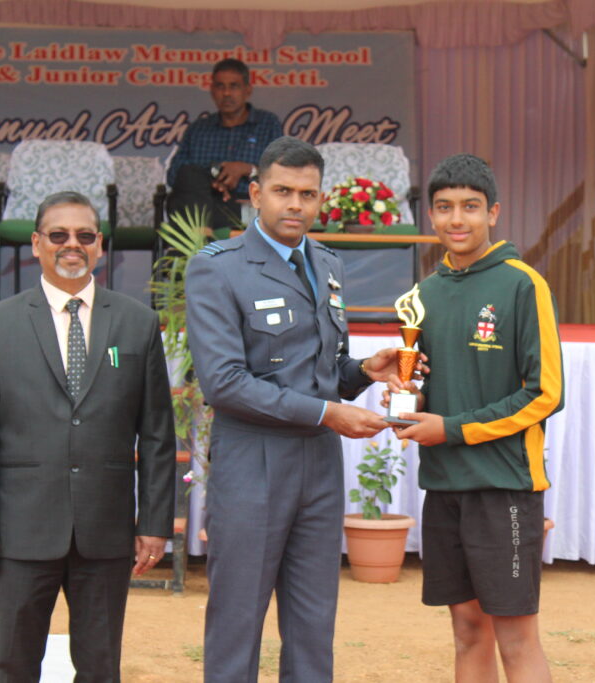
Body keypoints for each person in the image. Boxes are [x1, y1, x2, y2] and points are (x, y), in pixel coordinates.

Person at [184, 136, 399, 682]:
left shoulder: (325, 262)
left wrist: (364, 370)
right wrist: (328, 414)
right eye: (283, 191)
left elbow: (324, 370)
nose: (295, 205)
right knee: (237, 623)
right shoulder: (219, 268)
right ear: (256, 193)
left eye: (307, 194)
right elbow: (225, 383)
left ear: (321, 199)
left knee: (312, 625)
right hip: (252, 462)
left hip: (319, 465)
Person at [0, 190, 176, 682]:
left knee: (100, 667)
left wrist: (155, 524)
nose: (71, 245)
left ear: (100, 245)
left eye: (84, 235)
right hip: (21, 530)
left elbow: (157, 436)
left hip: (106, 530)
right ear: (37, 244)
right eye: (59, 235)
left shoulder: (138, 323)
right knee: (15, 664)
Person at [387, 154, 563, 683]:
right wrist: (408, 402)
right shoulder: (423, 296)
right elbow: (423, 382)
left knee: (516, 637)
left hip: (503, 485)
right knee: (467, 630)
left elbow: (545, 393)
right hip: (444, 486)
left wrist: (451, 429)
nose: (456, 219)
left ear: (494, 213)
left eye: (470, 206)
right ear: (430, 216)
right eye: (444, 207)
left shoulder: (522, 284)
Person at [166, 58, 283, 232]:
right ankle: (204, 237)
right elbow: (175, 176)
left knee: (190, 214)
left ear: (247, 90)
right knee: (188, 177)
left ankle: (202, 243)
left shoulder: (268, 124)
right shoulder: (198, 129)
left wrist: (247, 169)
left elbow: (283, 175)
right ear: (212, 90)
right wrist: (212, 178)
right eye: (220, 86)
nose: (226, 93)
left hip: (246, 206)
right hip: (203, 202)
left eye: (234, 86)